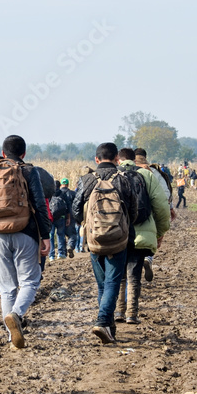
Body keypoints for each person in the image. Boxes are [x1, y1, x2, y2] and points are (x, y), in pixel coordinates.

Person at [0, 135, 51, 349]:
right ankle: (16, 314)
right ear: (23, 153)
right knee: (30, 281)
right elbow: (40, 206)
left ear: (3, 153)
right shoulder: (28, 171)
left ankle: (10, 336)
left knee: (6, 287)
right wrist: (45, 236)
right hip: (25, 232)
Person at [72, 142, 137, 344]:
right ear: (117, 159)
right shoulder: (124, 181)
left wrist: (87, 224)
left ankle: (108, 326)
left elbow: (75, 210)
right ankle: (103, 322)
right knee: (112, 283)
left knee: (102, 285)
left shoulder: (86, 180)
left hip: (94, 241)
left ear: (96, 159)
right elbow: (134, 211)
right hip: (118, 240)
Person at [115, 148, 171, 324]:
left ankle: (118, 312)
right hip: (141, 233)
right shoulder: (147, 176)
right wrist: (159, 232)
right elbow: (162, 206)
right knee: (134, 275)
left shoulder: (113, 175)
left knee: (120, 274)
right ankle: (132, 314)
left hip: (117, 232)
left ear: (119, 160)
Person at [58, 178, 77, 257]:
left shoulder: (57, 193)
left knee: (61, 235)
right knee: (72, 235)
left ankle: (62, 253)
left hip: (59, 217)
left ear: (61, 185)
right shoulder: (72, 193)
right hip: (70, 217)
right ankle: (70, 246)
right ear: (68, 184)